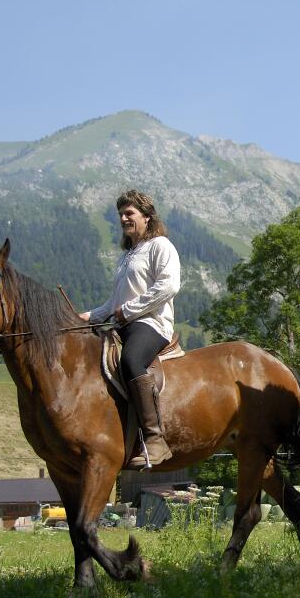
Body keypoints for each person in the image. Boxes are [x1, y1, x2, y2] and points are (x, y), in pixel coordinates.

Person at [79, 190, 181, 468]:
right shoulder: (126, 256)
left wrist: (130, 310)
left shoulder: (161, 245)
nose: (124, 218)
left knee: (131, 361)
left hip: (151, 323)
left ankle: (155, 439)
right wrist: (86, 317)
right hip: (124, 323)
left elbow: (169, 286)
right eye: (121, 214)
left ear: (147, 217)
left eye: (130, 213)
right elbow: (114, 303)